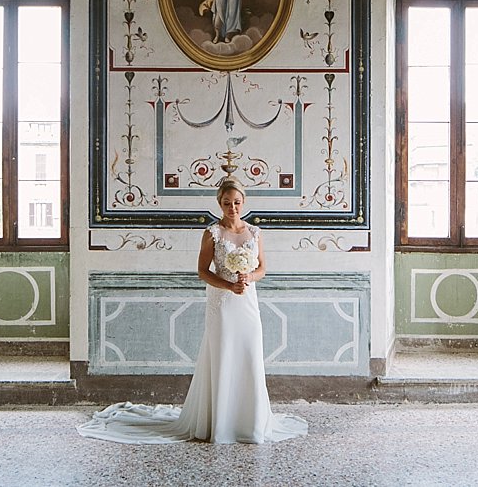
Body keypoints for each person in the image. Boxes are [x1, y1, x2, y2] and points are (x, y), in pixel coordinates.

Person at [76, 176, 308, 444]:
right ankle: (219, 423)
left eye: (236, 202)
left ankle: (251, 421)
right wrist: (228, 285)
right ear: (219, 204)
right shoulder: (213, 233)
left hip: (247, 302)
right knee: (222, 354)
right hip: (222, 303)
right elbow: (202, 271)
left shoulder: (254, 232)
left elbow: (262, 268)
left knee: (249, 352)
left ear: (244, 202)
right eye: (226, 203)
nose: (232, 207)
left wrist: (248, 278)